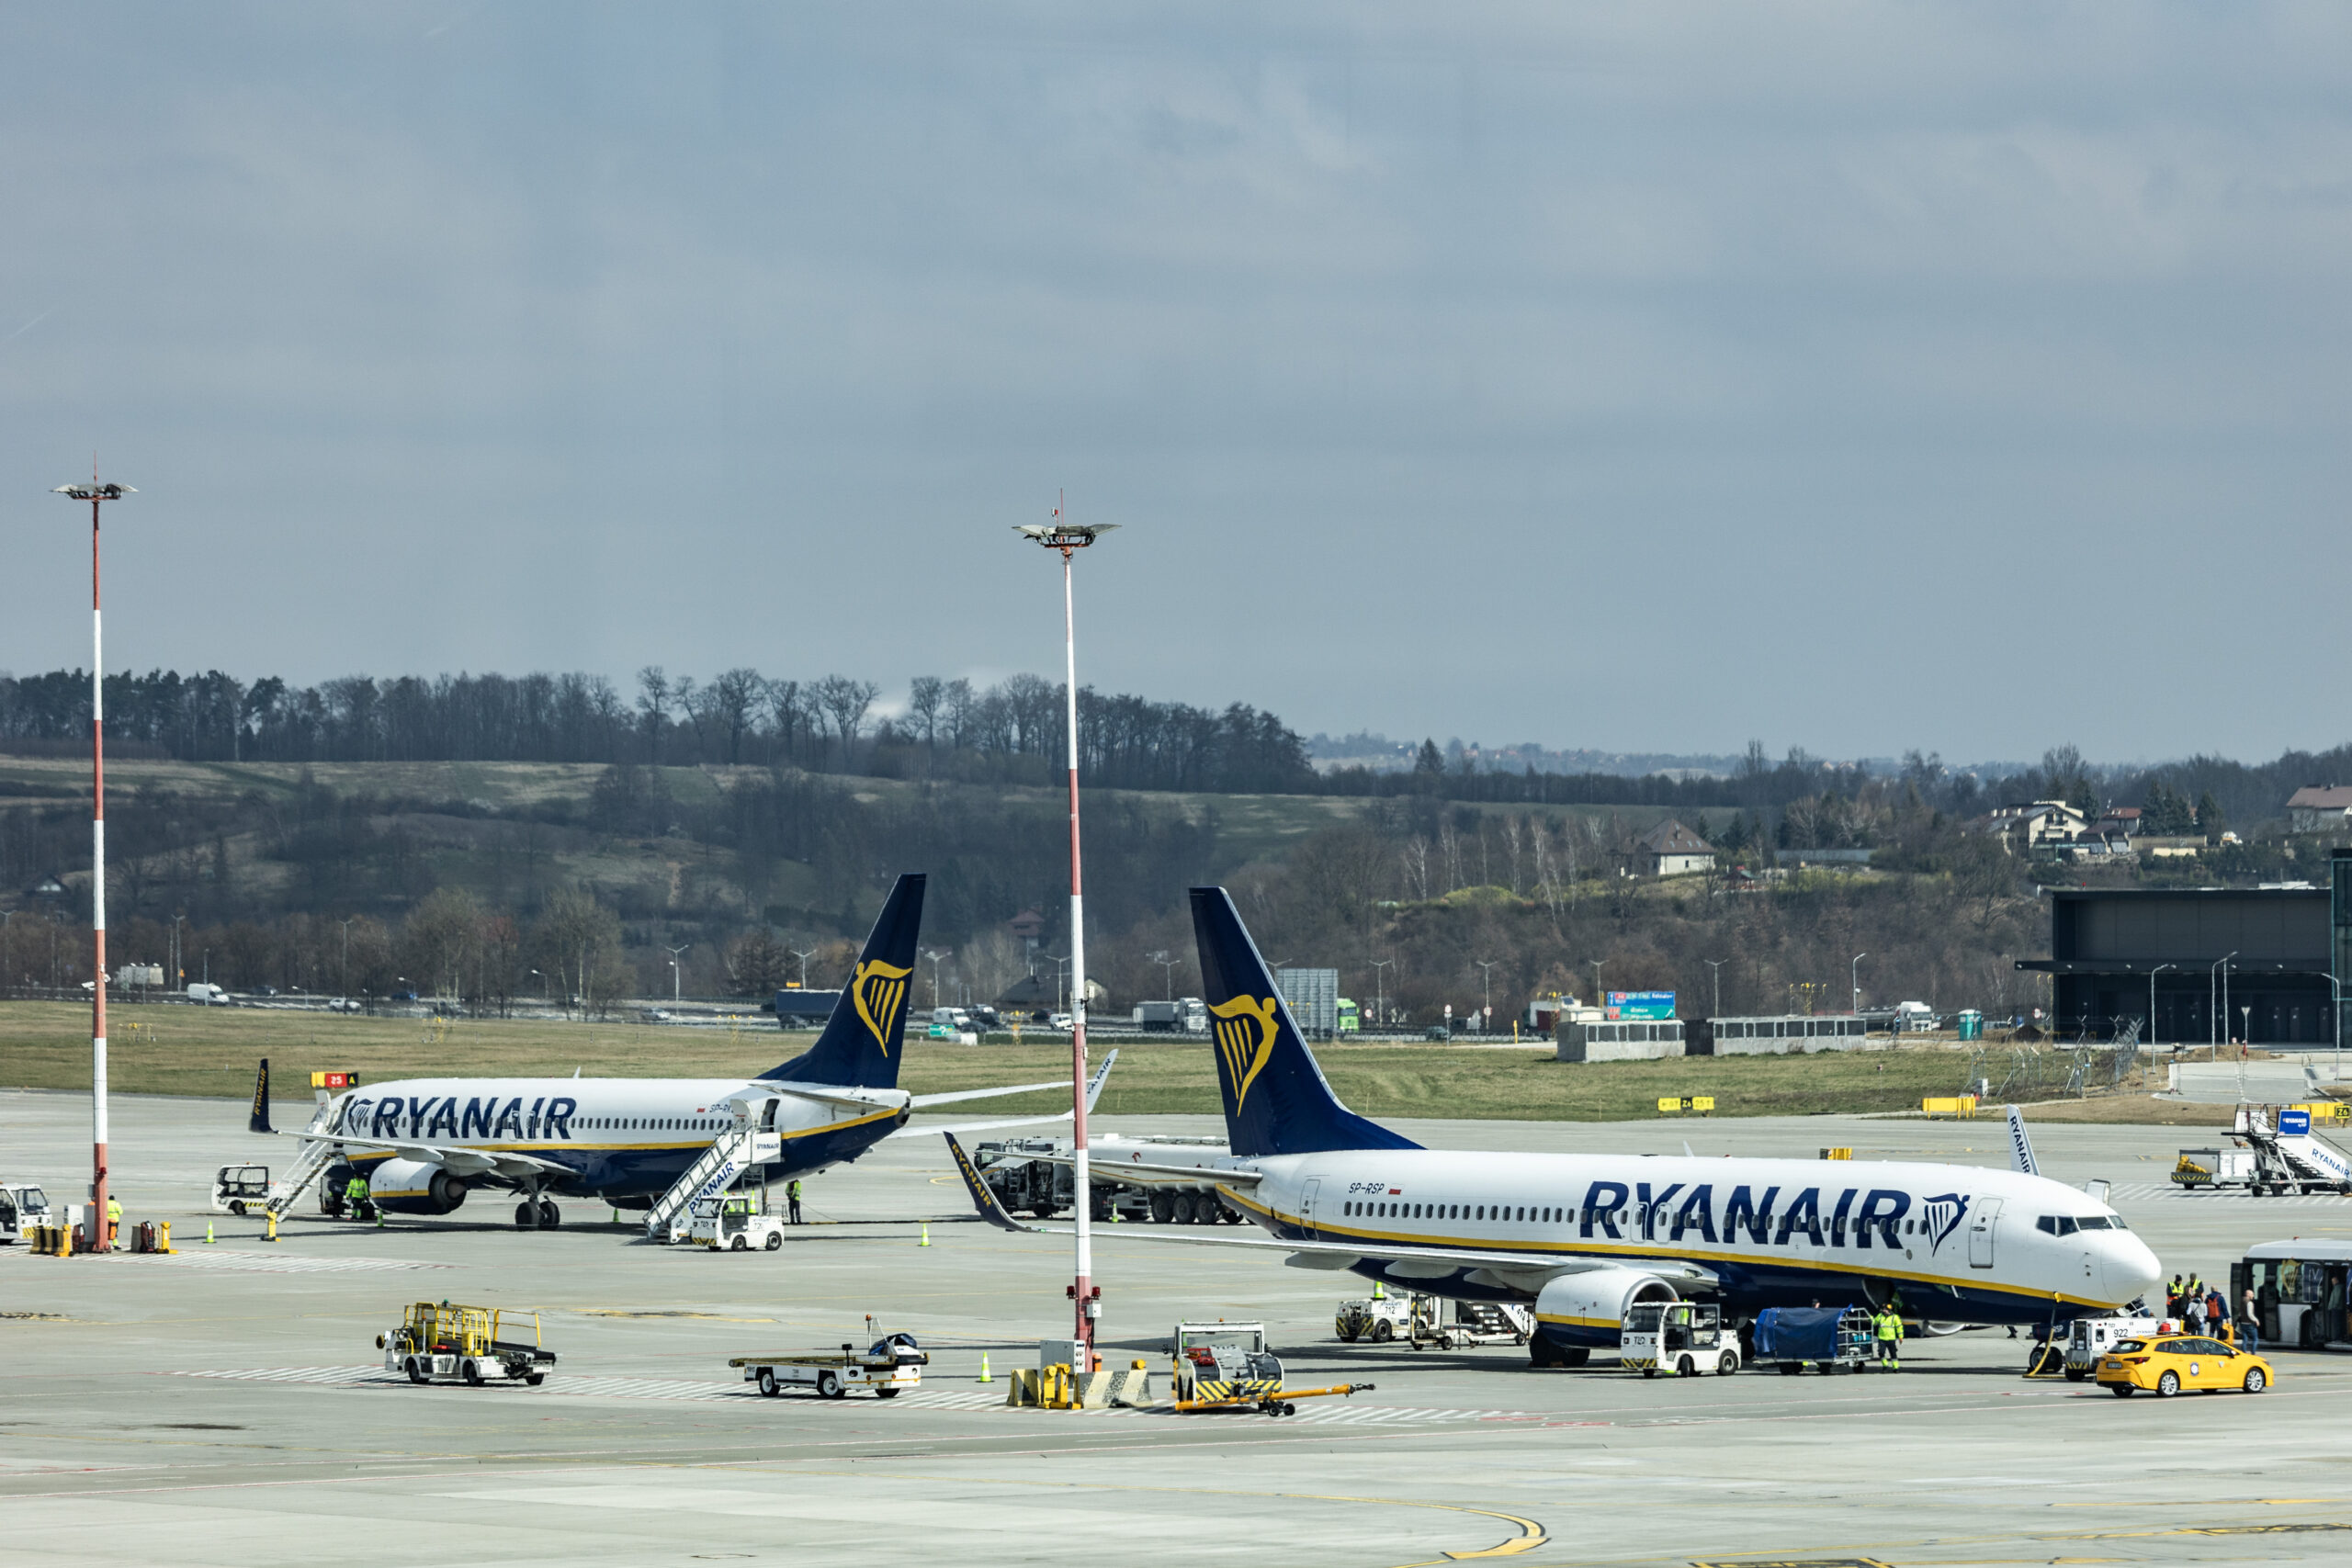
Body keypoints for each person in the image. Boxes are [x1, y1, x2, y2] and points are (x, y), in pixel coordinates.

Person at [1873, 1303, 1903, 1370]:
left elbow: (1899, 1327)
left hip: (1891, 1339)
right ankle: (1885, 1364)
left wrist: (1901, 1337)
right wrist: (1870, 1318)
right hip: (1882, 1339)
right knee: (1881, 1352)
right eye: (1883, 1309)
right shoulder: (1880, 1316)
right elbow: (1874, 1322)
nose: (1884, 1311)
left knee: (1893, 1353)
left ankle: (1895, 1368)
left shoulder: (1895, 1317)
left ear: (1889, 1310)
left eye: (1885, 1309)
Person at [2242, 1286, 2261, 1354]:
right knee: (2255, 1339)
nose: (2253, 1295)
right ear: (2248, 1295)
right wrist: (2256, 1320)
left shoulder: (2242, 1301)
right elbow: (2250, 1314)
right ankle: (2253, 1353)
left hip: (2243, 1323)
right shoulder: (2250, 1303)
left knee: (2245, 1340)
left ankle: (2244, 1352)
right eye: (2252, 1294)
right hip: (2249, 1324)